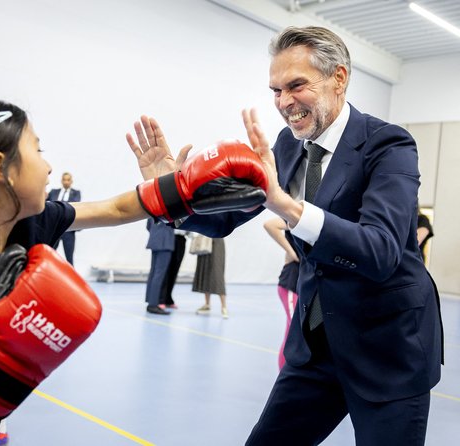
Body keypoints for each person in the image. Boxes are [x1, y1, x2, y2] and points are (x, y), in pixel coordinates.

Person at [0, 98, 267, 444]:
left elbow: (114, 208)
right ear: (2, 168)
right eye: (38, 150)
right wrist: (8, 352)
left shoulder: (27, 222)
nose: (49, 167)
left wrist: (174, 185)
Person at [130, 26, 443, 446]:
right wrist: (171, 194)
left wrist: (288, 208)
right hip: (316, 348)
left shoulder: (388, 144)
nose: (283, 103)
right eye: (276, 90)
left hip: (388, 351)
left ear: (339, 78)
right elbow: (226, 219)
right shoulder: (288, 145)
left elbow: (380, 249)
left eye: (296, 85)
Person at [264, 216, 301, 370]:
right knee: (295, 332)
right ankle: (286, 375)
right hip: (291, 283)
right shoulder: (298, 216)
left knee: (291, 332)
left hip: (299, 283)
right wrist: (291, 252)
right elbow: (269, 224)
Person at [47, 172, 81, 265]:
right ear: (61, 180)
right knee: (49, 255)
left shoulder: (76, 193)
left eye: (68, 180)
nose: (66, 182)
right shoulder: (53, 192)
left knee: (69, 258)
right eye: (64, 179)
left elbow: (76, 206)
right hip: (55, 229)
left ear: (71, 181)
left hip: (69, 230)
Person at [145, 218, 174, 315]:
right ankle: (153, 304)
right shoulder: (169, 209)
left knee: (153, 273)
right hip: (165, 242)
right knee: (159, 274)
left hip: (155, 240)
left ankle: (151, 302)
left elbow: (148, 226)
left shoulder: (151, 210)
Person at [193, 237, 228, 318]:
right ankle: (207, 304)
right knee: (205, 271)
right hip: (205, 240)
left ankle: (224, 306)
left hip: (216, 241)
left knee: (217, 273)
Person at [159, 228, 187, 310]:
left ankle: (168, 298)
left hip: (182, 238)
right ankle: (161, 298)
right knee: (166, 269)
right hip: (170, 236)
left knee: (175, 269)